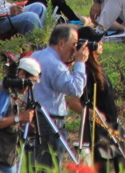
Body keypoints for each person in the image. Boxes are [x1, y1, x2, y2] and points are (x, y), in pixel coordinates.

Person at [30, 25, 90, 167]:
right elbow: (75, 90)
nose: (75, 49)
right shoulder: (55, 65)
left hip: (33, 118)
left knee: (36, 164)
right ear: (62, 44)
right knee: (49, 165)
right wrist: (80, 63)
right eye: (74, 44)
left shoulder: (36, 56)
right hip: (51, 122)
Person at [70, 27, 125, 173]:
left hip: (111, 125)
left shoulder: (96, 68)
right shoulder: (85, 71)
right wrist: (95, 116)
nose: (101, 44)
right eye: (98, 42)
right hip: (98, 129)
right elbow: (73, 102)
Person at [0, 56, 40, 173]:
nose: (32, 87)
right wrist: (19, 117)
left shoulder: (5, 89)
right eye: (32, 82)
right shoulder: (2, 93)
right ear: (22, 74)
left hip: (1, 150)